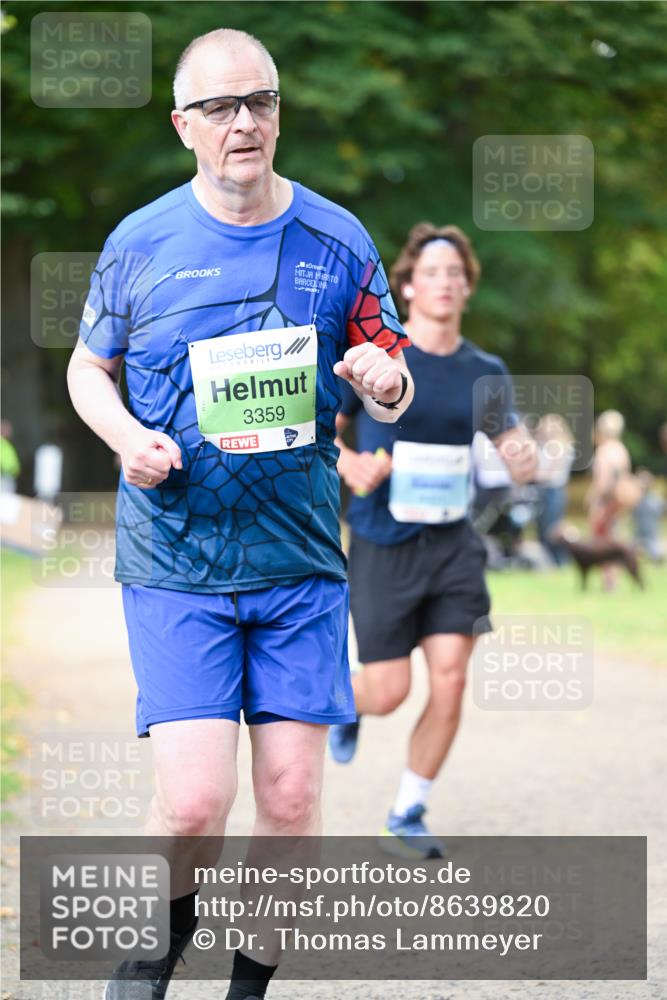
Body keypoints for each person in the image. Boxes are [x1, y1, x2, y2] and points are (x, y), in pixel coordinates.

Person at [67, 28, 413, 1000]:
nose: (243, 122)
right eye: (219, 107)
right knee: (192, 804)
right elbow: (88, 368)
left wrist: (384, 381)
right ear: (184, 125)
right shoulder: (139, 242)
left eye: (259, 101)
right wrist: (125, 436)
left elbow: (391, 375)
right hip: (177, 556)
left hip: (298, 561)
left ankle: (246, 993)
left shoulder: (338, 240)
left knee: (292, 802)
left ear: (278, 114)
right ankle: (150, 958)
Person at [329, 223, 537, 858]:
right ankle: (345, 704)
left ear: (467, 288)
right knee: (388, 691)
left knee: (450, 679)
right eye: (432, 273)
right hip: (383, 541)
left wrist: (526, 457)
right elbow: (324, 431)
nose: (445, 283)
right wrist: (349, 464)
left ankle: (407, 810)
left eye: (456, 274)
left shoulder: (485, 371)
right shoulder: (377, 358)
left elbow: (513, 446)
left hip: (452, 545)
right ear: (409, 287)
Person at [587, 409, 635, 589]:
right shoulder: (621, 449)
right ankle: (614, 578)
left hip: (606, 502)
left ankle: (609, 580)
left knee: (603, 541)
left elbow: (603, 482)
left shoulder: (604, 451)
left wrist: (594, 501)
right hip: (619, 502)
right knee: (615, 538)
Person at [534, 413, 575, 565]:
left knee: (551, 528)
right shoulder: (552, 445)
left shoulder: (558, 446)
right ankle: (552, 560)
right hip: (550, 491)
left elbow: (549, 472)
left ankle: (558, 560)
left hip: (553, 491)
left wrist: (531, 475)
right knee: (547, 526)